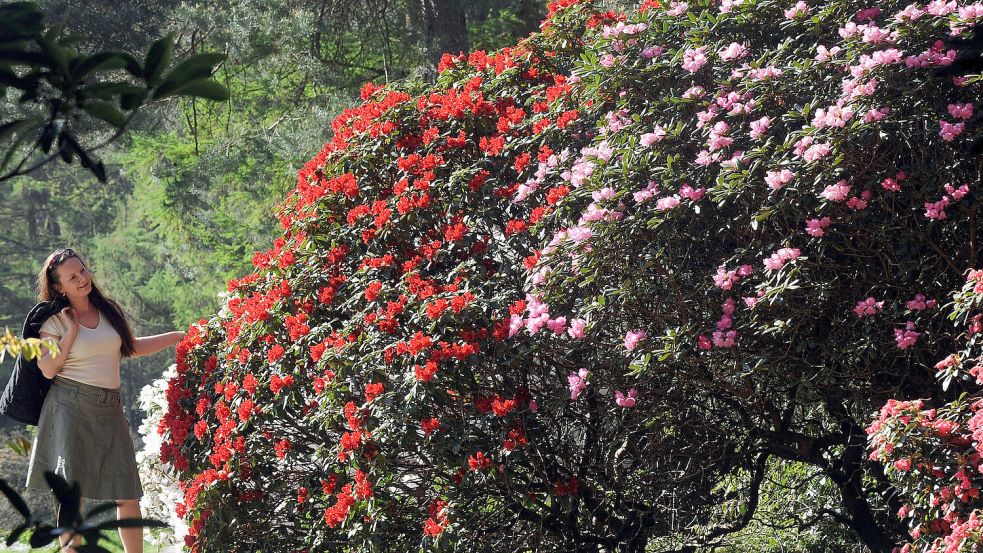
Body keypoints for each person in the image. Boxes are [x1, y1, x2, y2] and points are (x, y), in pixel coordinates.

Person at [26, 248, 185, 553]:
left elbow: (131, 347)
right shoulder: (53, 323)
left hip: (110, 408)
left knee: (127, 493)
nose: (82, 278)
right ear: (59, 286)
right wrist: (71, 329)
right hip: (69, 406)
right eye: (73, 277)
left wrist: (180, 336)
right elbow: (48, 369)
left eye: (83, 270)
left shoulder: (108, 310)